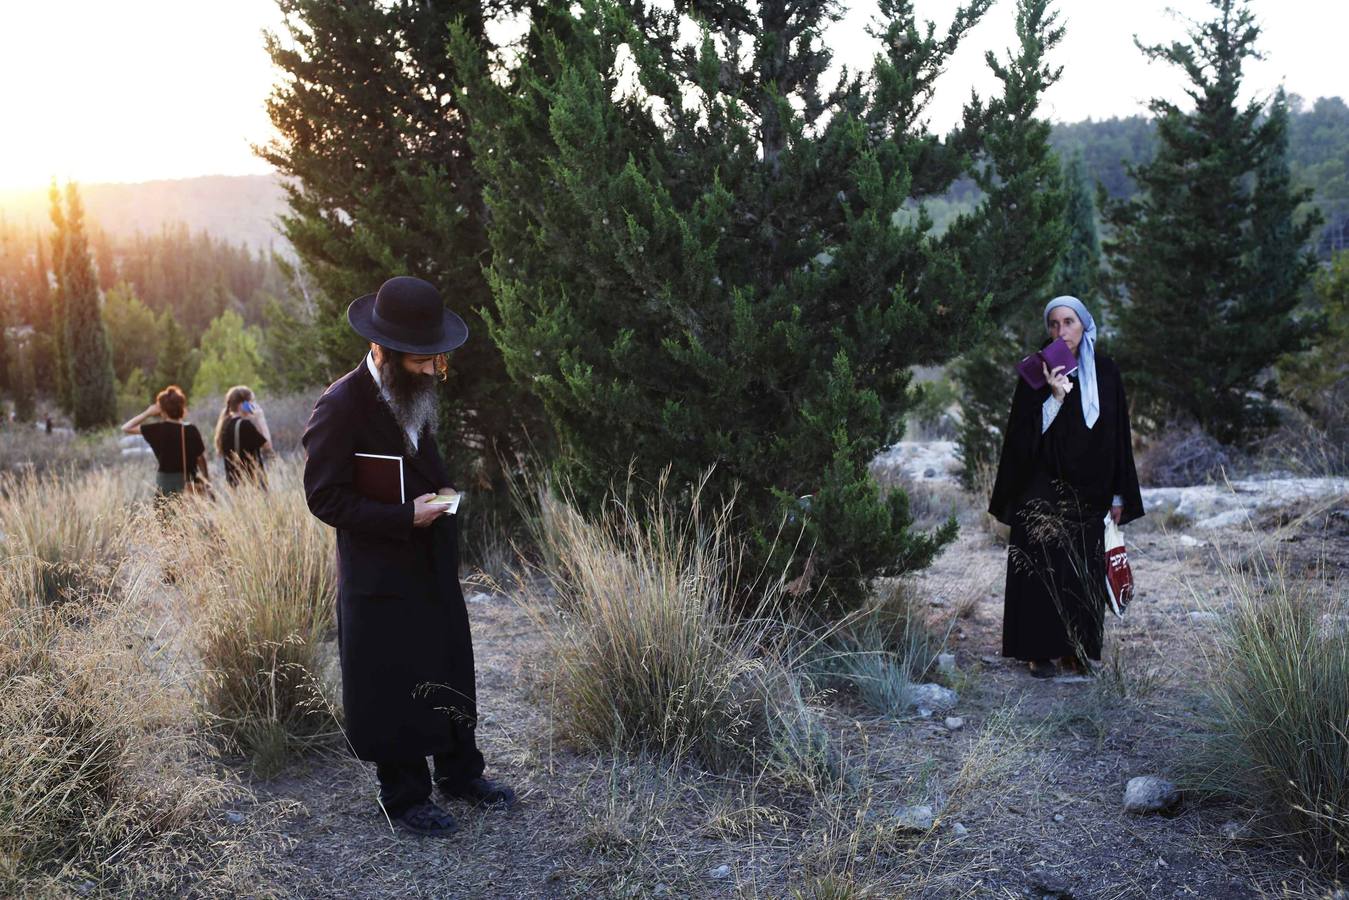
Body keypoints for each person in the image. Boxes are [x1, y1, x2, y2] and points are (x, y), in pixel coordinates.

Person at [302, 275, 515, 838]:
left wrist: (442, 502)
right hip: (379, 573)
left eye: (436, 359)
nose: (433, 371)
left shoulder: (414, 387)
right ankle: (404, 797)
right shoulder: (341, 404)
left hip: (430, 563)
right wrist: (404, 517)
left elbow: (423, 466)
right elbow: (323, 496)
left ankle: (460, 774)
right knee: (393, 679)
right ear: (383, 349)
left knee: (447, 664)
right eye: (422, 361)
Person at [988, 296, 1144, 678]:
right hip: (1041, 486)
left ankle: (1076, 649)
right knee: (1040, 567)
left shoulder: (1106, 372)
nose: (1062, 332)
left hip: (1091, 488)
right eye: (1054, 324)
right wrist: (1054, 398)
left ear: (1084, 324)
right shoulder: (1037, 371)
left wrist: (1120, 493)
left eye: (1069, 322)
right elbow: (1022, 438)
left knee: (1083, 569)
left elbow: (1118, 436)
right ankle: (1037, 650)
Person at [122, 385, 210, 498]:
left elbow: (126, 428)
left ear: (162, 410)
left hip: (166, 486)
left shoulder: (157, 429)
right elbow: (201, 459)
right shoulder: (191, 430)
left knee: (165, 515)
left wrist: (147, 413)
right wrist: (206, 480)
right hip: (190, 484)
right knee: (191, 514)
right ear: (181, 407)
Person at [214, 385, 272, 488]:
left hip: (235, 483)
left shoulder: (225, 424)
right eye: (251, 401)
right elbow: (267, 446)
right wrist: (260, 418)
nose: (253, 405)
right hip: (252, 483)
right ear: (242, 404)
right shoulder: (245, 425)